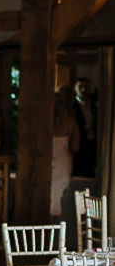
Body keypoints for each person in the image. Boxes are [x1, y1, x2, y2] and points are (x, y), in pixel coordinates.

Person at [51, 87, 81, 220]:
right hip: (63, 161)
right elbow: (75, 147)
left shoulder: (43, 122)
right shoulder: (71, 122)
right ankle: (58, 225)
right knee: (60, 193)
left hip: (46, 159)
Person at [73, 76, 98, 178]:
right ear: (75, 88)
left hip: (92, 142)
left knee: (90, 171)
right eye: (80, 87)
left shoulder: (93, 105)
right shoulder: (73, 105)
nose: (83, 90)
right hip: (79, 142)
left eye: (86, 87)